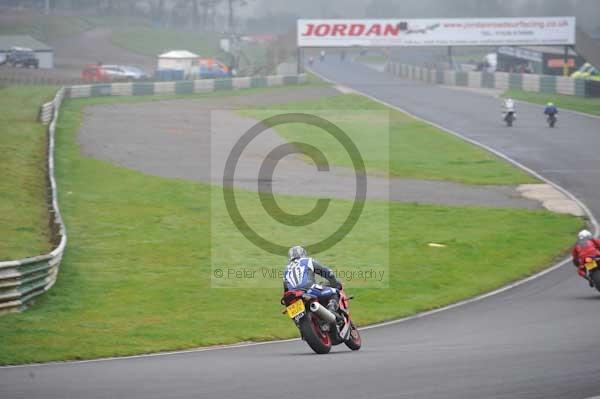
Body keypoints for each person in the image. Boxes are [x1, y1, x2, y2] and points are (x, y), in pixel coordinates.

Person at [283, 246, 342, 314]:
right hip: (308, 289)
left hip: (292, 296)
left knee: (295, 314)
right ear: (303, 253)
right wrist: (335, 283)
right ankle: (331, 312)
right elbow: (327, 273)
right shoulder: (307, 261)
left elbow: (286, 289)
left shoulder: (286, 269)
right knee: (335, 292)